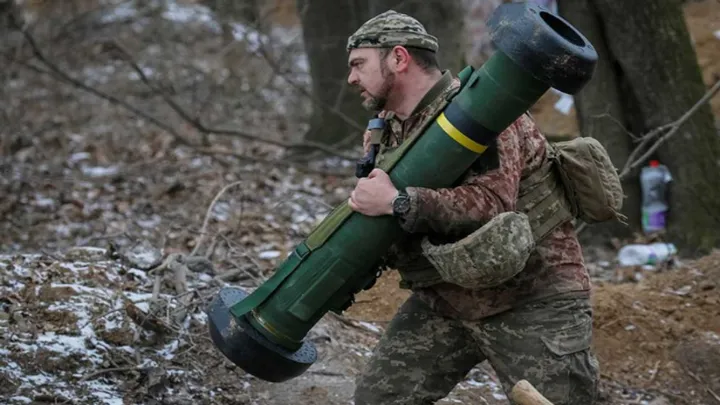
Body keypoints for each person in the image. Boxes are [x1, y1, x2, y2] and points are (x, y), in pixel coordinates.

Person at [344, 9, 600, 405]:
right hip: (446, 301)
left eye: (359, 64)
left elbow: (492, 205)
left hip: (533, 298)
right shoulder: (384, 131)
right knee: (380, 398)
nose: (351, 78)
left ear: (398, 58)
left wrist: (399, 202)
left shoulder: (486, 108)